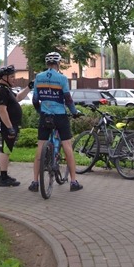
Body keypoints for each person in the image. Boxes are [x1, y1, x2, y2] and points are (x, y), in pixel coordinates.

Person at [30, 52, 82, 192]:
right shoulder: (62, 78)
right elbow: (68, 99)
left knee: (40, 147)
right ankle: (73, 181)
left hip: (45, 115)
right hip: (60, 116)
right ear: (58, 63)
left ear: (47, 64)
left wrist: (40, 111)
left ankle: (35, 182)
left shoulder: (38, 78)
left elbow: (35, 100)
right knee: (67, 146)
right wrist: (74, 112)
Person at [0, 65, 31, 188]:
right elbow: (2, 111)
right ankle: (3, 177)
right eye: (12, 76)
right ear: (4, 77)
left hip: (11, 125)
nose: (14, 79)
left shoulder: (6, 89)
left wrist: (29, 87)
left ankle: (4, 175)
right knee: (5, 150)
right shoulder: (1, 91)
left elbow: (18, 98)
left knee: (7, 149)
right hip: (7, 125)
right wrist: (9, 127)